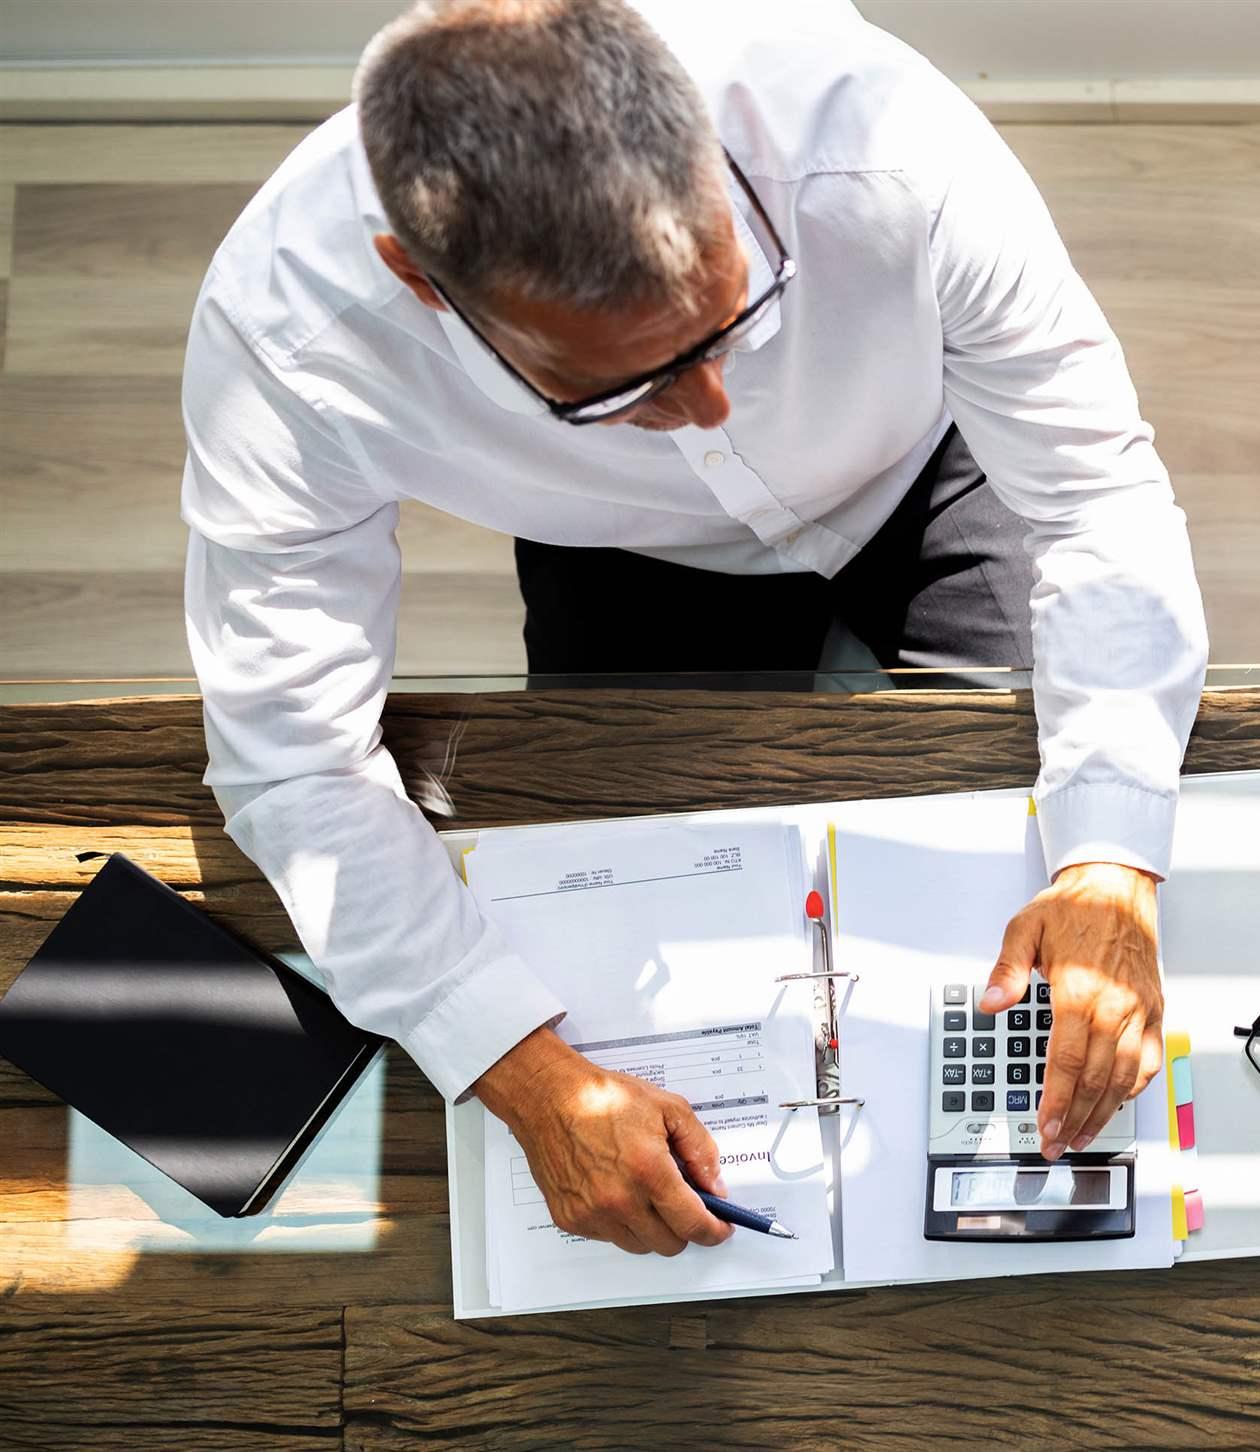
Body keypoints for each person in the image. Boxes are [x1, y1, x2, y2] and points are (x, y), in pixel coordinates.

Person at [180, 0, 1205, 1256]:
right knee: (625, 894)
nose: (714, 402)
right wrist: (517, 1069)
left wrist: (1108, 856)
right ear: (422, 284)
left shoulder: (888, 141)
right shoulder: (285, 342)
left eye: (738, 317)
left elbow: (1097, 499)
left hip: (931, 466)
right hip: (621, 554)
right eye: (624, 384)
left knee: (1018, 862)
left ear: (714, 149)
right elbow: (294, 761)